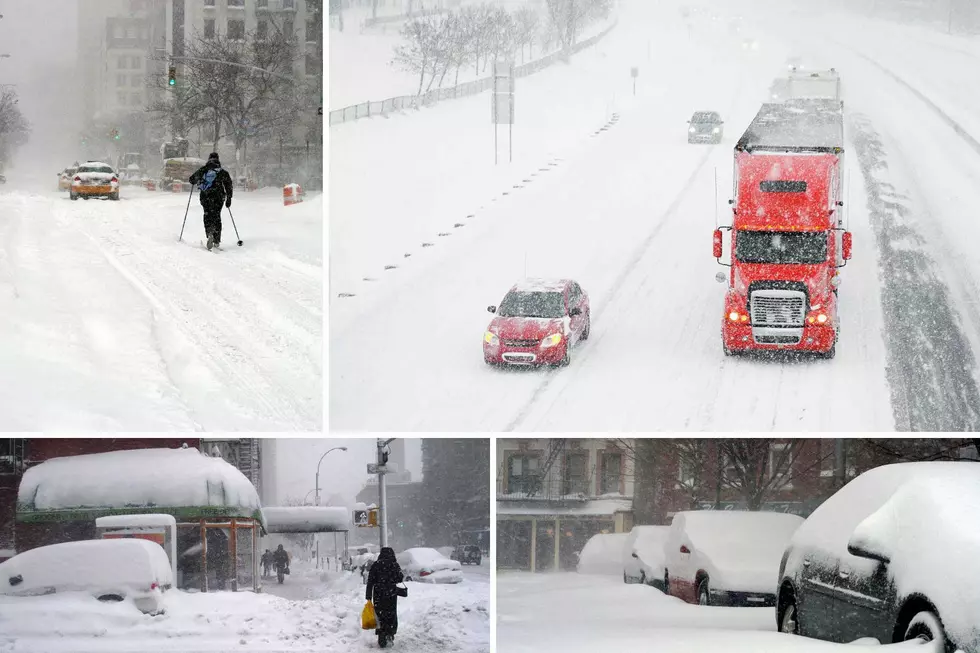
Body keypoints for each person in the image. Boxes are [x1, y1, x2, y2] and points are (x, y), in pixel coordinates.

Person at [188, 152, 233, 250]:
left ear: (209, 159)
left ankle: (209, 233)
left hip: (205, 197)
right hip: (218, 197)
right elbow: (228, 186)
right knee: (217, 216)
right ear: (218, 159)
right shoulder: (222, 172)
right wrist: (229, 198)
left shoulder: (204, 170)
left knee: (207, 215)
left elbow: (191, 180)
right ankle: (216, 240)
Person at [365, 547, 403, 649]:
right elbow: (400, 577)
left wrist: (368, 596)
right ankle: (390, 632)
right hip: (391, 594)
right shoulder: (394, 565)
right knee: (391, 613)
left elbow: (370, 581)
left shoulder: (376, 565)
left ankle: (381, 633)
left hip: (378, 595)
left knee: (380, 614)